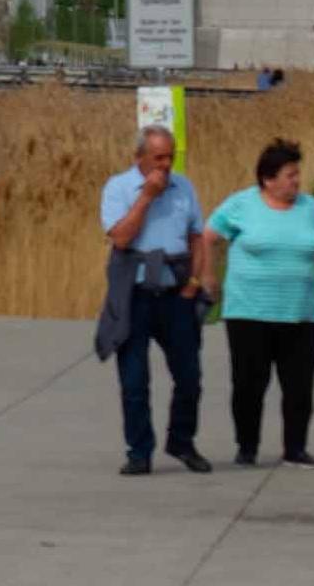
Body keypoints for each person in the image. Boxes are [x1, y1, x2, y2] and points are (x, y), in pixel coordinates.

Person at [204, 138, 314, 469]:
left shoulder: (311, 207)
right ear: (268, 179)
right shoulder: (241, 205)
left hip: (301, 312)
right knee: (248, 385)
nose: (296, 181)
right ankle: (247, 446)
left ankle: (295, 448)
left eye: (297, 174)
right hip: (249, 312)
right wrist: (209, 275)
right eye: (290, 175)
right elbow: (209, 236)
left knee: (299, 386)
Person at [96, 125, 212, 475]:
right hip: (135, 292)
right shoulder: (118, 188)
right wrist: (146, 196)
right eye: (159, 157)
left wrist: (195, 281)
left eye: (170, 156)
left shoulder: (184, 187)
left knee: (189, 374)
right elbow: (120, 239)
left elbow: (196, 236)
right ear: (140, 158)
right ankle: (139, 451)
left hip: (175, 291)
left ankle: (181, 440)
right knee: (134, 379)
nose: (166, 164)